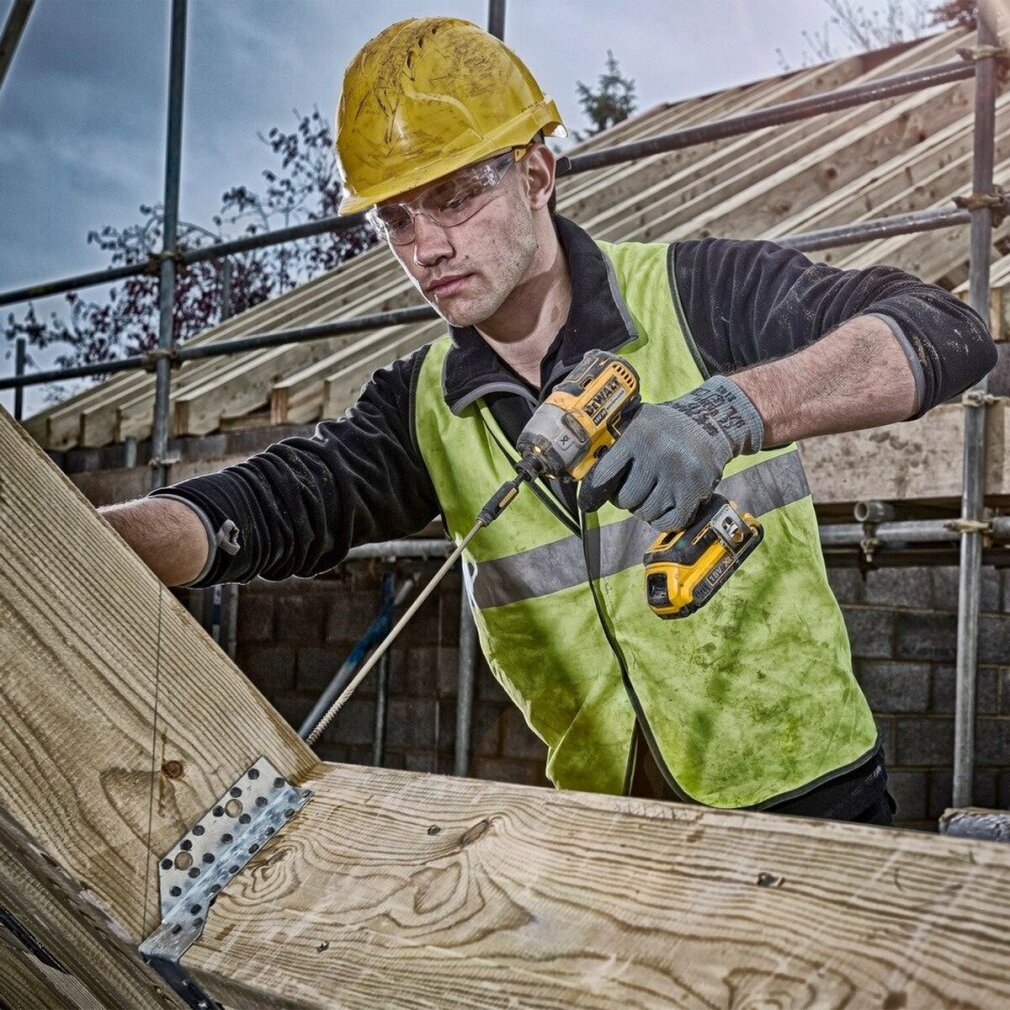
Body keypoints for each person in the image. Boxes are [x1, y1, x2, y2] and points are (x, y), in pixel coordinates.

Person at [102, 17, 996, 823]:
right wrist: (76, 542)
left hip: (809, 803)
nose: (427, 248)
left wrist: (732, 409)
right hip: (606, 834)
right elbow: (274, 504)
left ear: (536, 174)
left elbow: (945, 332)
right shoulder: (423, 405)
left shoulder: (696, 295)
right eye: (397, 219)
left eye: (455, 198)